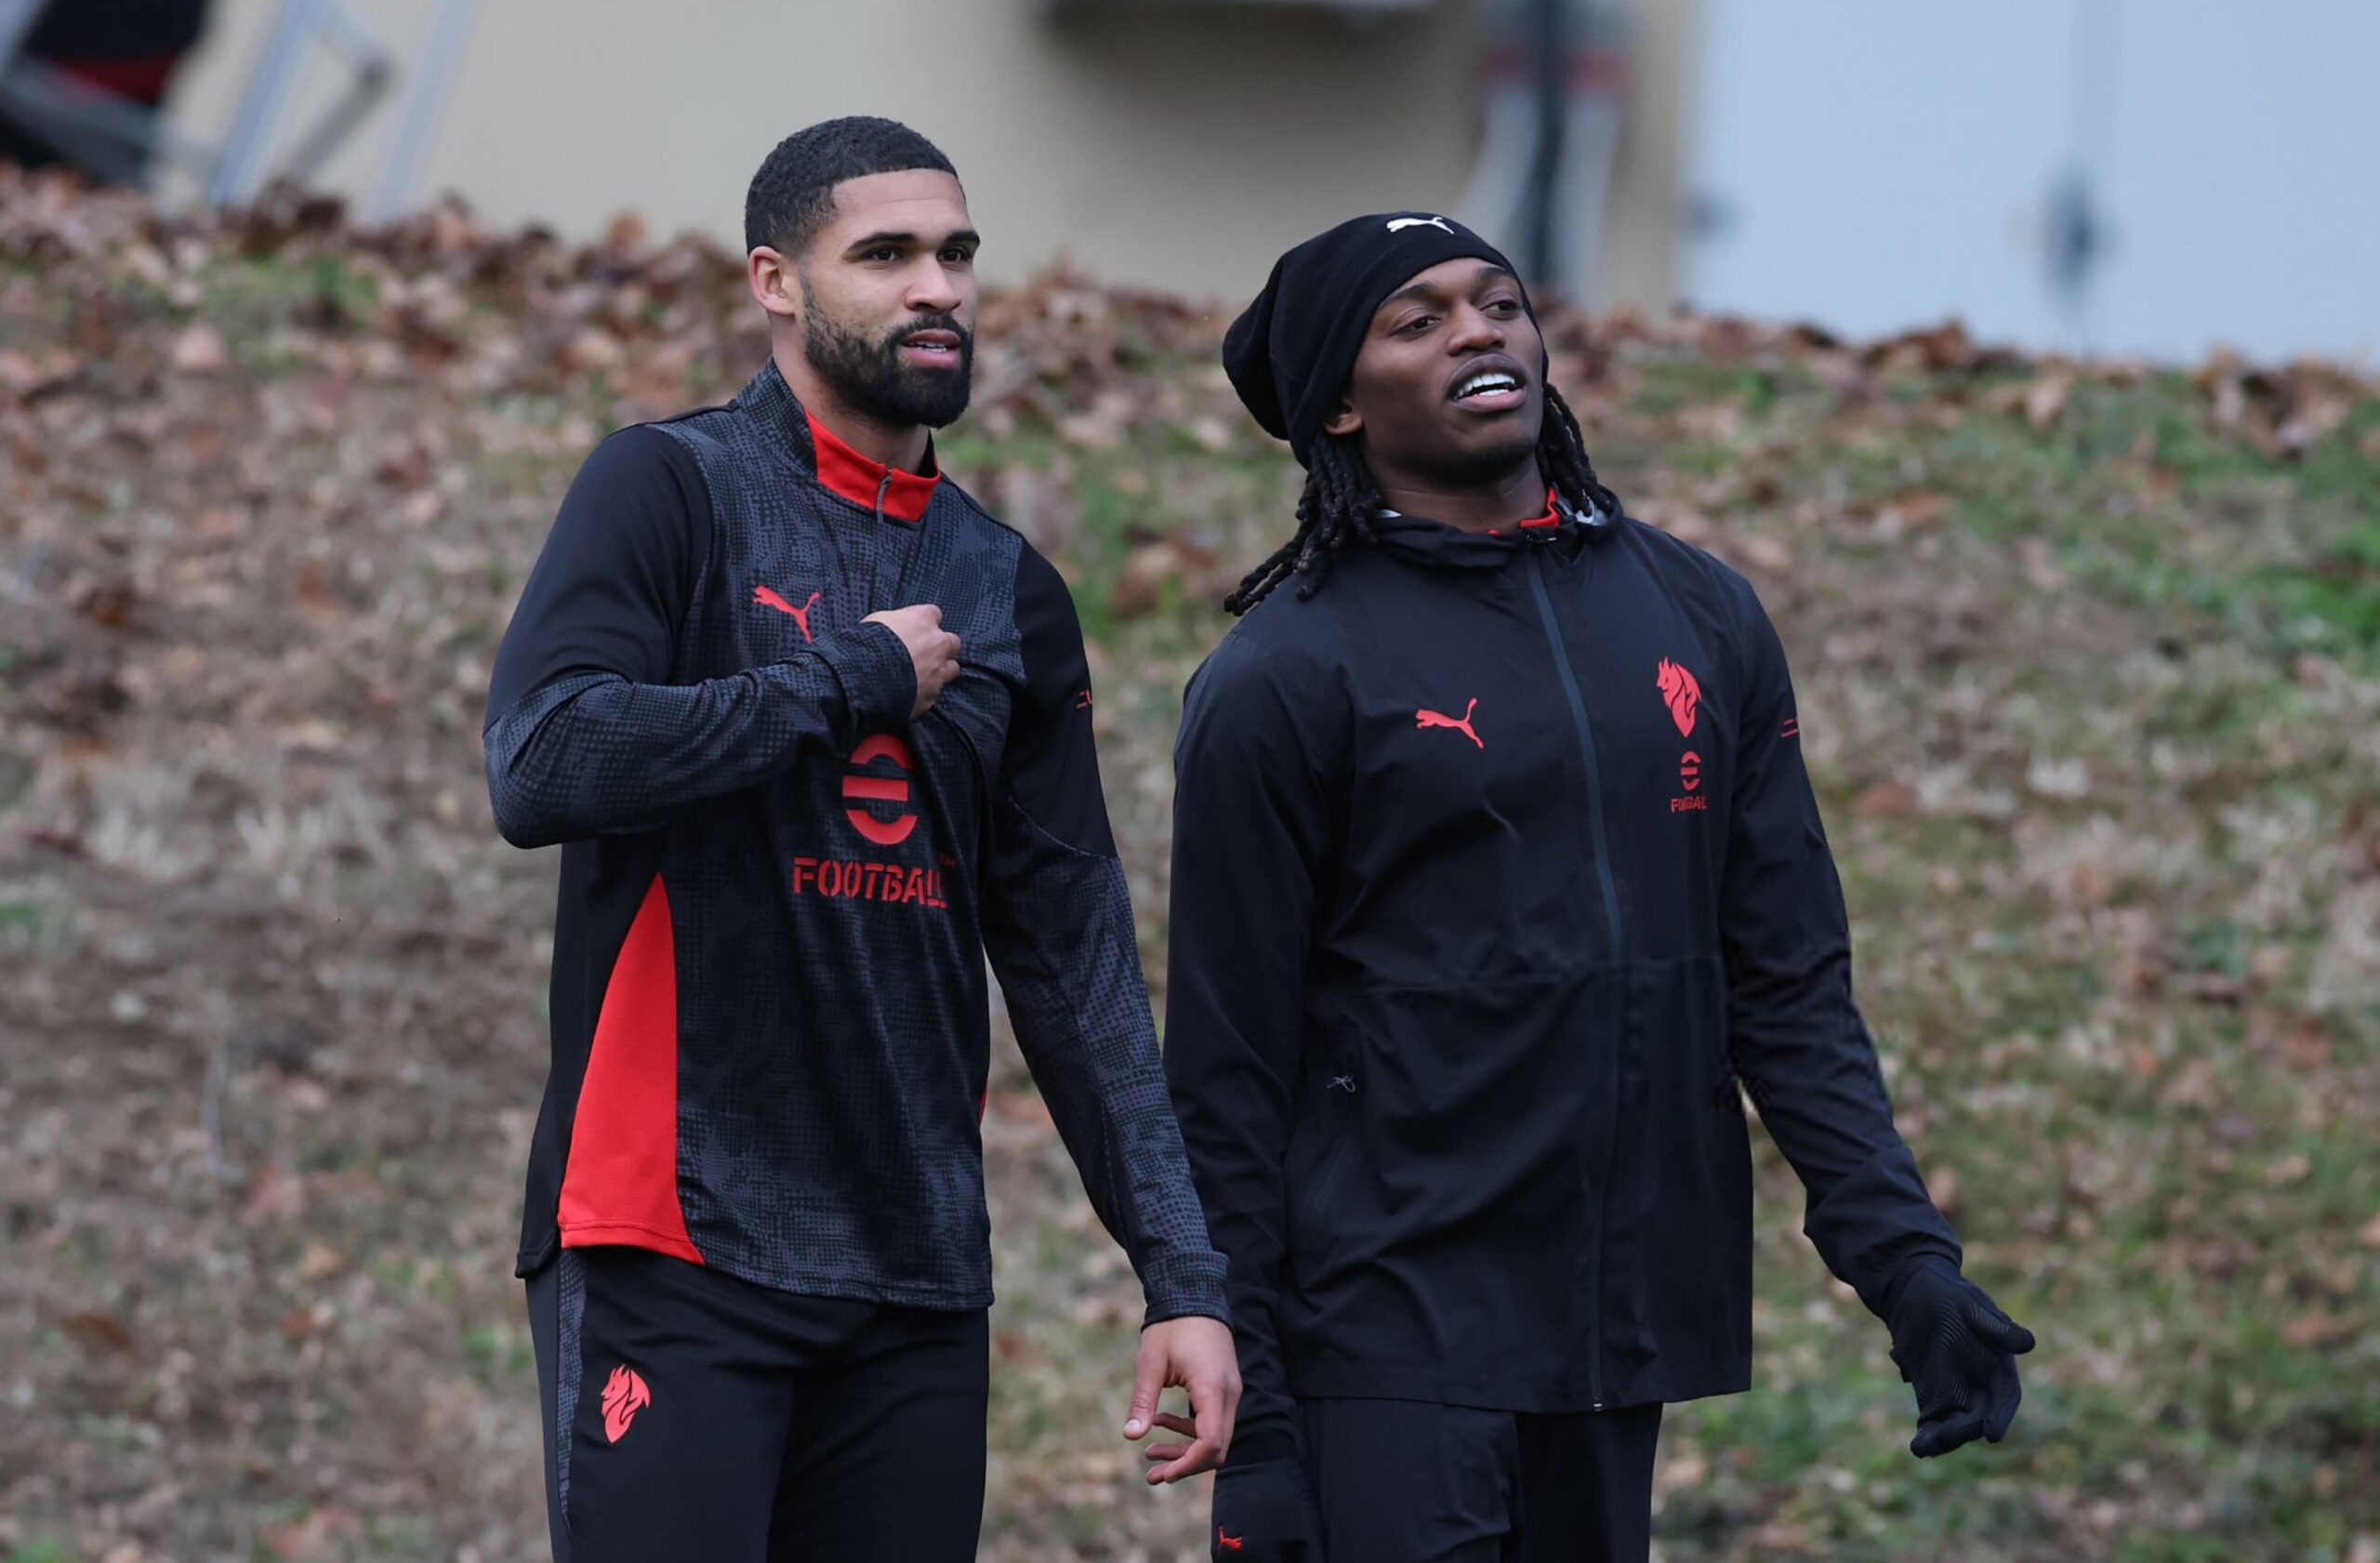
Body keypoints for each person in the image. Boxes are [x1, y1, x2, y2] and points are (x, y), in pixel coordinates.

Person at [1153, 213, 2034, 1562]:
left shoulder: (1699, 613)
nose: (1479, 331)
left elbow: (1788, 981)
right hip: (1385, 1332)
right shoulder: (1284, 677)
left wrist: (1904, 1261)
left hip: (1613, 1331)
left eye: (1497, 301)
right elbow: (1226, 1070)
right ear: (1336, 399)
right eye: (1419, 318)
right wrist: (1262, 1425)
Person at [483, 115, 1238, 1563]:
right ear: (777, 280)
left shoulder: (1009, 585)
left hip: (914, 1277)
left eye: (956, 254)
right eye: (884, 254)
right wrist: (847, 681)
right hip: (673, 1240)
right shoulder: (667, 490)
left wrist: (1183, 1277)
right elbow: (545, 762)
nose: (937, 287)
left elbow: (1075, 963)